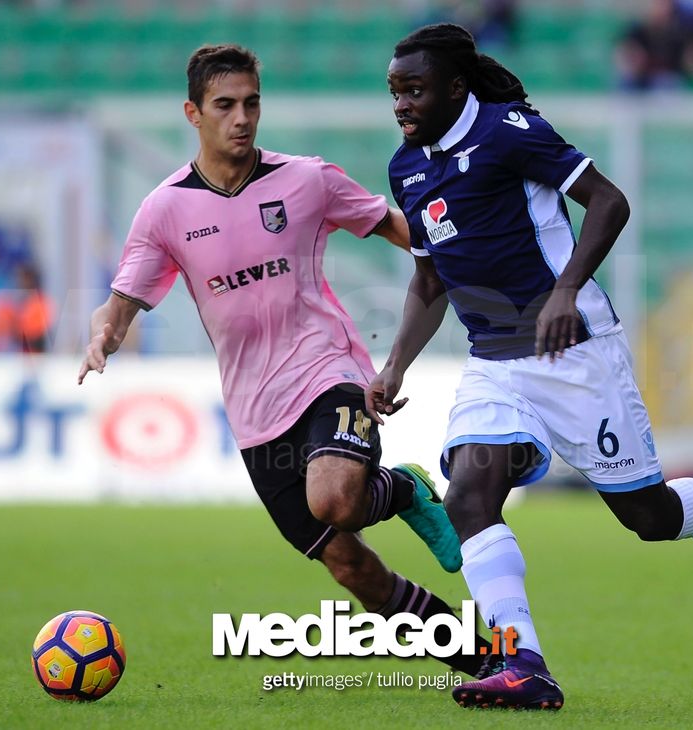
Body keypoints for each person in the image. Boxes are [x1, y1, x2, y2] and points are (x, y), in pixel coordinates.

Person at [368, 23, 693, 711]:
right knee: (468, 499)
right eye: (395, 93)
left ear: (456, 88)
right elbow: (430, 280)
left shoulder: (510, 133)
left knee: (649, 516)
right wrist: (393, 365)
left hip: (574, 355)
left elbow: (609, 201)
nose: (402, 105)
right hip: (494, 363)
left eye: (415, 91)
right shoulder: (408, 167)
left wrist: (566, 289)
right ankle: (525, 665)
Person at [78, 44, 491, 677]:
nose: (241, 118)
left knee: (334, 499)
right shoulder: (165, 209)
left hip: (329, 371)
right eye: (224, 106)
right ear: (193, 112)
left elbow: (399, 227)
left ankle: (399, 488)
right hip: (254, 412)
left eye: (251, 103)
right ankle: (484, 659)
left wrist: (480, 264)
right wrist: (102, 334)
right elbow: (120, 302)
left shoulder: (306, 179)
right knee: (353, 568)